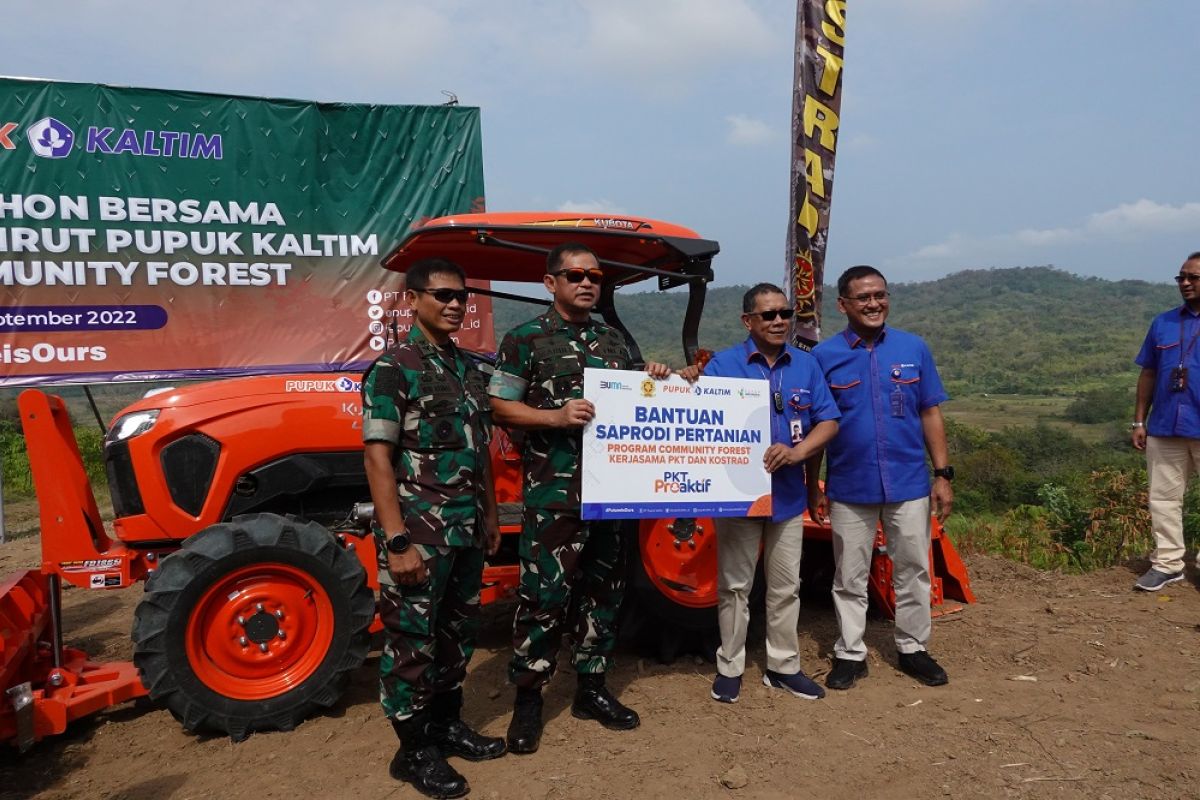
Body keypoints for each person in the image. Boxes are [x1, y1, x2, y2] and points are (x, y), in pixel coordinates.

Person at [488, 242, 668, 754]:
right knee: (544, 599)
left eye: (594, 276)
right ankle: (529, 699)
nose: (587, 283)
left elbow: (637, 404)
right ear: (551, 283)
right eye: (575, 275)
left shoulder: (613, 341)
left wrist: (655, 377)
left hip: (611, 494)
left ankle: (591, 686)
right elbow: (500, 406)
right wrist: (553, 417)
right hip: (554, 493)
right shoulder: (525, 340)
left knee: (604, 593)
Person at [362, 258, 505, 798]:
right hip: (418, 533)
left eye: (461, 296)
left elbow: (481, 451)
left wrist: (490, 515)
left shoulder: (467, 369)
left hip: (465, 531)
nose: (453, 304)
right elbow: (378, 459)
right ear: (413, 299)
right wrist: (397, 541)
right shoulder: (394, 368)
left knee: (456, 634)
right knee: (410, 642)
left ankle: (446, 725)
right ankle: (414, 749)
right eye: (442, 294)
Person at [680, 282, 840, 704]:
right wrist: (678, 379)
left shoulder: (806, 367)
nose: (778, 321)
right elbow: (689, 414)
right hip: (737, 498)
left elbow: (827, 422)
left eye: (784, 313)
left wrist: (798, 453)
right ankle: (730, 665)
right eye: (767, 314)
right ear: (747, 320)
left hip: (786, 499)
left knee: (786, 586)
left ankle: (784, 667)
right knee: (734, 586)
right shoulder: (722, 365)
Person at [809, 265, 954, 690]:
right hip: (849, 486)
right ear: (843, 305)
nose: (874, 304)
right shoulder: (824, 357)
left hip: (908, 482)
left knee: (913, 568)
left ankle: (913, 648)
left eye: (880, 295)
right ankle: (850, 654)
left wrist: (942, 475)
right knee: (849, 575)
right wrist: (810, 485)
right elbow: (817, 426)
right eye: (863, 297)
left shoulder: (914, 348)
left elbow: (930, 411)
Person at [1130, 251, 1200, 591]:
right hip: (1165, 425)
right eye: (1181, 277)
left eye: (1193, 278)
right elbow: (1149, 372)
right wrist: (1139, 421)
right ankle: (1169, 563)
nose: (1185, 283)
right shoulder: (1164, 323)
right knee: (1163, 498)